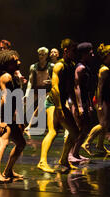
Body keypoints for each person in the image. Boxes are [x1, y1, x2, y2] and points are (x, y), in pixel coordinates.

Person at [37, 38, 80, 173]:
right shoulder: (59, 66)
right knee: (53, 131)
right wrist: (60, 108)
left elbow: (71, 88)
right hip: (53, 102)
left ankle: (63, 159)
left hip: (61, 101)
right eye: (73, 51)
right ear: (66, 51)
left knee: (75, 132)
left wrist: (77, 106)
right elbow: (55, 88)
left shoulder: (72, 65)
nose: (75, 54)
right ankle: (42, 162)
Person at [0, 49, 26, 182]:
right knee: (3, 142)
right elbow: (5, 97)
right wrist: (3, 121)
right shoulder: (6, 77)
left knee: (21, 143)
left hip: (9, 116)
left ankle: (8, 171)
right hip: (2, 115)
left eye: (17, 59)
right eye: (14, 61)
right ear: (7, 64)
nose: (18, 62)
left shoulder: (13, 76)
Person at [82, 43, 110, 156]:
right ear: (107, 55)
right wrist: (99, 103)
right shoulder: (103, 69)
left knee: (106, 124)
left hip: (107, 98)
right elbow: (99, 86)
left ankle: (100, 145)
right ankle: (86, 143)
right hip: (100, 99)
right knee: (102, 124)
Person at [72, 42, 95, 161]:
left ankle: (75, 153)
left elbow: (88, 88)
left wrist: (90, 104)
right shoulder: (80, 68)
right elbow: (76, 87)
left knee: (85, 128)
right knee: (79, 128)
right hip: (78, 102)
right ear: (85, 54)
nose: (93, 55)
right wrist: (79, 106)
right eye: (91, 53)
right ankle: (71, 154)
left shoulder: (86, 67)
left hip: (85, 101)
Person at [23, 47, 54, 134]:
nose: (41, 56)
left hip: (46, 91)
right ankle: (17, 124)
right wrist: (27, 94)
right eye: (40, 54)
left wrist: (50, 81)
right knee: (23, 104)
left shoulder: (51, 66)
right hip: (36, 90)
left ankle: (29, 125)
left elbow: (56, 80)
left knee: (40, 106)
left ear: (46, 55)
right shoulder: (33, 67)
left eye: (43, 54)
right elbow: (30, 81)